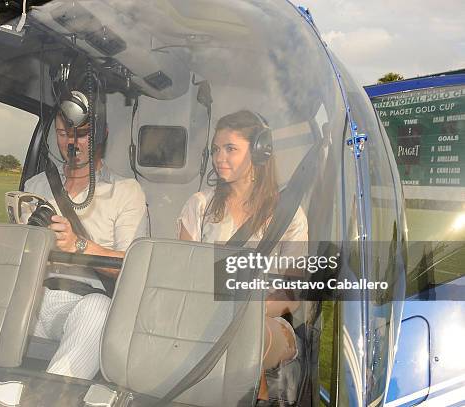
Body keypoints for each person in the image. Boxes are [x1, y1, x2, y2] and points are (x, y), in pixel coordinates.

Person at [177, 110, 307, 400]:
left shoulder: (289, 215)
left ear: (260, 153)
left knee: (248, 333)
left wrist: (243, 312)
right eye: (215, 149)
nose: (219, 157)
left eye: (230, 149)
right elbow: (184, 275)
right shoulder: (199, 206)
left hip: (268, 320)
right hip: (205, 315)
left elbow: (292, 296)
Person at [24, 110, 147, 379]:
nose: (72, 142)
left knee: (99, 308)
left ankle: (53, 397)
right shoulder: (35, 185)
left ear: (100, 134)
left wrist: (77, 245)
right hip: (30, 297)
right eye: (63, 133)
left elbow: (135, 270)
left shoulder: (126, 191)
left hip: (80, 303)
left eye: (82, 134)